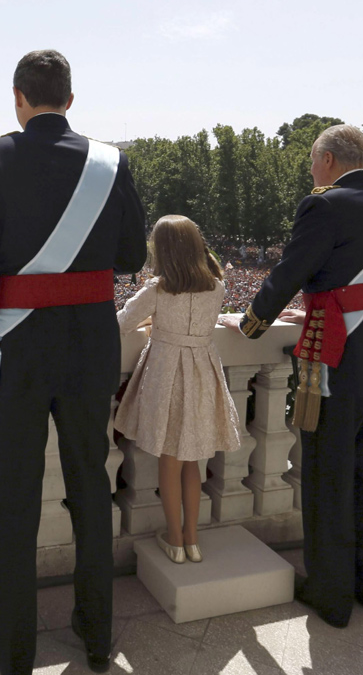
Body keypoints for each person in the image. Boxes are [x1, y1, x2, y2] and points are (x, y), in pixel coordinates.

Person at [0, 51, 147, 674]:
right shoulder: (111, 163)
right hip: (90, 344)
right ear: (69, 97)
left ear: (18, 97)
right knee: (90, 486)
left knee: (14, 503)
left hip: (18, 350)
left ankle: (16, 653)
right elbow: (132, 256)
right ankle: (95, 635)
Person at [220, 124, 363, 628]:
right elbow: (361, 279)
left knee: (329, 478)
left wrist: (250, 322)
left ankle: (331, 594)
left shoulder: (323, 205)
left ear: (329, 160)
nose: (311, 172)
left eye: (312, 162)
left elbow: (290, 271)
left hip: (342, 357)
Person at [115, 215, 240, 564]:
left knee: (168, 461)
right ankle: (192, 540)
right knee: (191, 459)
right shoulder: (217, 286)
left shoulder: (158, 288)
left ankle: (174, 539)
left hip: (167, 371)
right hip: (202, 369)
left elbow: (122, 323)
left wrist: (152, 320)